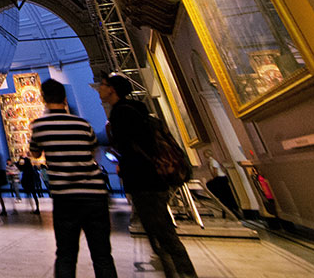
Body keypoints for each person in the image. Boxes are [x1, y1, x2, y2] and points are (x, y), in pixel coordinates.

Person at [97, 73, 196, 278]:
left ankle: (184, 273)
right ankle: (177, 271)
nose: (100, 89)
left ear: (112, 89)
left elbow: (128, 146)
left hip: (143, 178)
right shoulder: (134, 110)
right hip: (151, 177)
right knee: (159, 230)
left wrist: (120, 160)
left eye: (103, 85)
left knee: (162, 232)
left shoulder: (121, 113)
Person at [30, 78, 117, 278]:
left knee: (66, 255)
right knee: (103, 255)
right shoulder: (82, 124)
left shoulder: (40, 126)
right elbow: (93, 151)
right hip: (95, 195)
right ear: (64, 98)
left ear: (43, 98)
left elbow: (35, 153)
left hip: (66, 196)